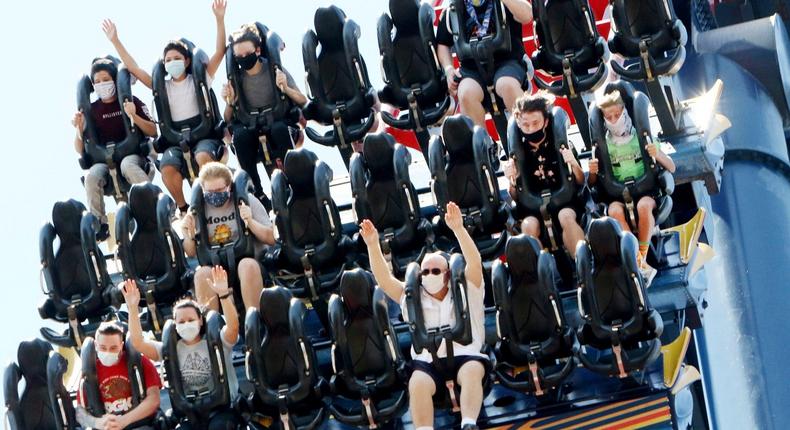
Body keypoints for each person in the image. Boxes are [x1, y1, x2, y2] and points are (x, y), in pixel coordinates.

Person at [360, 202, 487, 430]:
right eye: (425, 272)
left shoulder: (466, 289)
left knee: (471, 371)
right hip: (428, 364)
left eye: (435, 271)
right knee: (417, 382)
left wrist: (458, 229)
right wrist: (372, 245)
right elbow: (384, 280)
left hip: (465, 356)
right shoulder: (413, 297)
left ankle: (469, 424)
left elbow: (475, 262)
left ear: (447, 274)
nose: (429, 275)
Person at [102, 0, 228, 216]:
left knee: (202, 158)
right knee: (167, 168)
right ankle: (183, 207)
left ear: (187, 61)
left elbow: (219, 52)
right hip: (175, 138)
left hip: (203, 134)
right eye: (168, 59)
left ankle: (209, 198)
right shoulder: (162, 86)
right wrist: (116, 41)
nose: (172, 62)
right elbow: (134, 67)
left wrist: (219, 20)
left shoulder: (199, 78)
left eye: (177, 58)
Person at [120, 268, 239, 427]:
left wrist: (223, 295)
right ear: (175, 326)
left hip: (221, 409)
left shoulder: (216, 341)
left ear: (200, 321)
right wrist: (133, 309)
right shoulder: (171, 350)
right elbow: (138, 342)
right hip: (190, 413)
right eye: (181, 322)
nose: (186, 324)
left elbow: (233, 328)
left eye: (190, 320)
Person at [589, 90, 676, 283]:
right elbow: (592, 184)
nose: (613, 119)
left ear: (624, 111)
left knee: (643, 206)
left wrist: (657, 154)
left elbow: (671, 166)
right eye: (608, 117)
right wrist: (593, 171)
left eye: (617, 115)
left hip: (646, 191)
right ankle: (637, 259)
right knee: (613, 211)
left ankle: (641, 257)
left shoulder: (642, 137)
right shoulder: (603, 145)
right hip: (617, 194)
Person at [222, 23, 307, 209]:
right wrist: (230, 101)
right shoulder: (237, 79)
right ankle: (257, 192)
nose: (244, 59)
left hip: (280, 123)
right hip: (250, 128)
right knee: (241, 137)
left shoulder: (274, 69)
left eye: (248, 54)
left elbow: (302, 100)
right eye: (239, 57)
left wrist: (285, 88)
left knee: (278, 130)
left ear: (258, 50)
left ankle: (293, 182)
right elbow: (227, 118)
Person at [72, 58, 158, 240]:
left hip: (132, 157)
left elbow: (153, 130)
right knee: (91, 176)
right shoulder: (91, 110)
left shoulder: (131, 101)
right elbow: (80, 150)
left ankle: (152, 204)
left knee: (127, 164)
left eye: (106, 79)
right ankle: (99, 224)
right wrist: (79, 129)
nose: (102, 84)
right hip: (104, 163)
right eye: (98, 81)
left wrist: (134, 115)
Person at [503, 93, 587, 258]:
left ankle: (580, 262)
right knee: (528, 226)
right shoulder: (517, 153)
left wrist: (573, 163)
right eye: (525, 125)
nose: (530, 129)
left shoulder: (561, 143)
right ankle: (541, 273)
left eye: (535, 123)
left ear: (546, 121)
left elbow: (580, 181)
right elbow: (515, 196)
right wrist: (511, 180)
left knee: (566, 217)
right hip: (532, 207)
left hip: (564, 202)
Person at [181, 162, 274, 311]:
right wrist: (189, 234)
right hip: (216, 268)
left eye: (219, 190)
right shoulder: (197, 210)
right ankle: (213, 326)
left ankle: (255, 321)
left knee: (247, 265)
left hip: (249, 264)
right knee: (201, 274)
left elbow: (271, 238)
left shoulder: (247, 201)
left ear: (229, 186)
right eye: (209, 192)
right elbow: (191, 252)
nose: (214, 196)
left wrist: (250, 221)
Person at [436, 0, 532, 127]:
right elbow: (443, 44)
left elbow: (527, 16)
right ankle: (481, 143)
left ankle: (528, 132)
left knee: (507, 84)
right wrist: (448, 69)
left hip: (508, 61)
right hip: (472, 68)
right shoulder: (453, 9)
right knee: (466, 93)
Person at [75, 321, 161, 430]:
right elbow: (80, 412)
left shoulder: (139, 362)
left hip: (138, 424)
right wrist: (96, 422)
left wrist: (123, 421)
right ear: (96, 345)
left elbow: (154, 399)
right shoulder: (89, 370)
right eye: (103, 348)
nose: (107, 352)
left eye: (113, 348)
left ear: (121, 345)